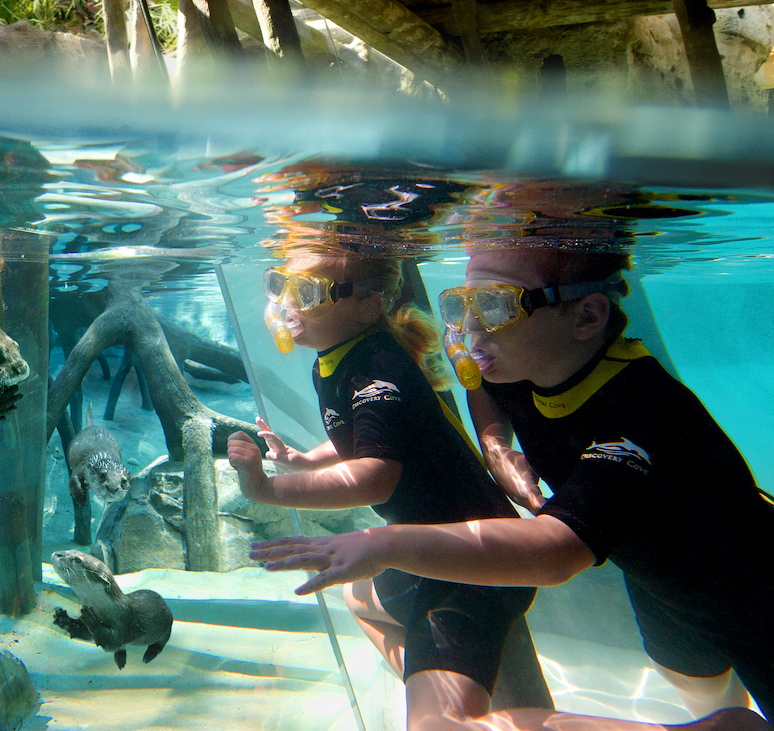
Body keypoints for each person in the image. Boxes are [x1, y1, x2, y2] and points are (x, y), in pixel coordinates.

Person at [251, 245, 774, 731]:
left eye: (498, 306)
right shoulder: (529, 362)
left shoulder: (641, 411)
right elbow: (484, 395)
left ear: (588, 316)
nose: (470, 328)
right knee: (703, 690)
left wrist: (379, 543)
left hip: (753, 598)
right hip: (664, 583)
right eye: (464, 304)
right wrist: (498, 448)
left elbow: (555, 552)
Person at [227, 246, 545, 730]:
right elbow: (368, 439)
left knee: (434, 726)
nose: (287, 305)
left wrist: (267, 489)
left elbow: (375, 477)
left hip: (472, 560)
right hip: (422, 552)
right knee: (358, 599)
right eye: (280, 286)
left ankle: (468, 707)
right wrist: (303, 460)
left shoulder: (378, 366)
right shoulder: (332, 360)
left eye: (308, 292)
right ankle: (433, 677)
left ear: (368, 306)